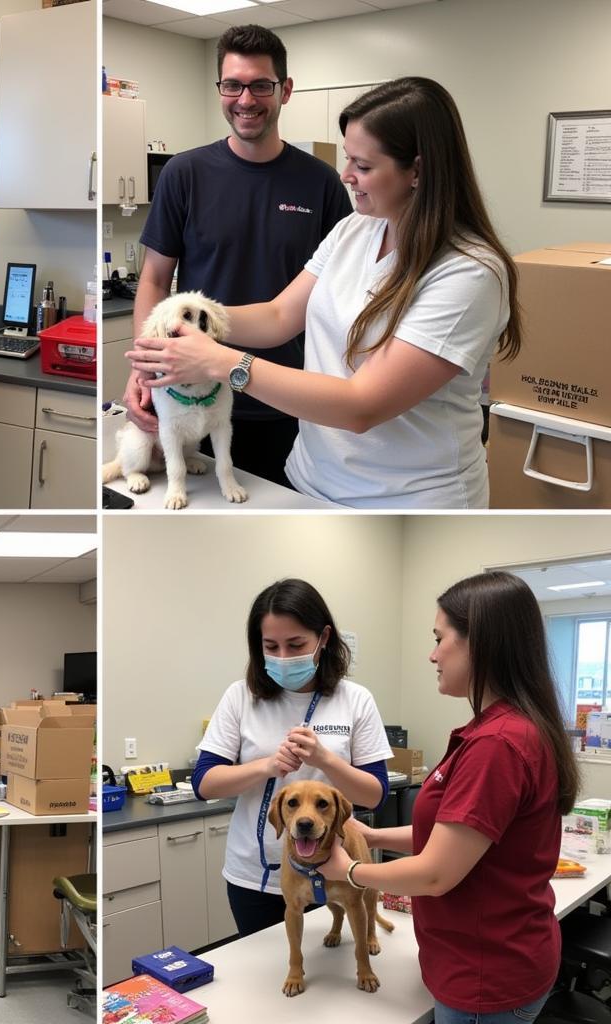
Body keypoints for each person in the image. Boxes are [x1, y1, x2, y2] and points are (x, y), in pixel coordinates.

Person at [128, 76, 522, 509]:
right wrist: (182, 328)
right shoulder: (357, 227)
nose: (346, 175)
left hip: (404, 499)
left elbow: (361, 406)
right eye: (348, 158)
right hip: (312, 479)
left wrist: (220, 361)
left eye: (364, 166)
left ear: (418, 170)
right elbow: (280, 316)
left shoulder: (469, 272)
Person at [318, 571, 579, 1024]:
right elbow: (449, 837)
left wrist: (352, 871)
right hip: (504, 956)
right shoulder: (509, 727)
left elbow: (436, 873)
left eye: (440, 638)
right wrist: (373, 832)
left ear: (481, 643)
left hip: (486, 975)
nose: (432, 654)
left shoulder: (497, 744)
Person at [122, 25, 352, 488]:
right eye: (233, 85)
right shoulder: (184, 174)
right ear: (220, 89)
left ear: (285, 90)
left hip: (287, 401)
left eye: (261, 85)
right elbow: (153, 280)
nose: (245, 99)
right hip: (192, 398)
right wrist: (146, 365)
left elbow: (336, 291)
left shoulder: (322, 183)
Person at [193, 578, 392, 937]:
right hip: (255, 876)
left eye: (296, 644)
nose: (283, 657)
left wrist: (325, 759)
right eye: (271, 646)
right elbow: (204, 784)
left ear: (324, 638)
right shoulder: (241, 697)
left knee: (336, 981)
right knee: (271, 979)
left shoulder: (355, 700)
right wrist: (267, 766)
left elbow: (375, 794)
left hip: (335, 866)